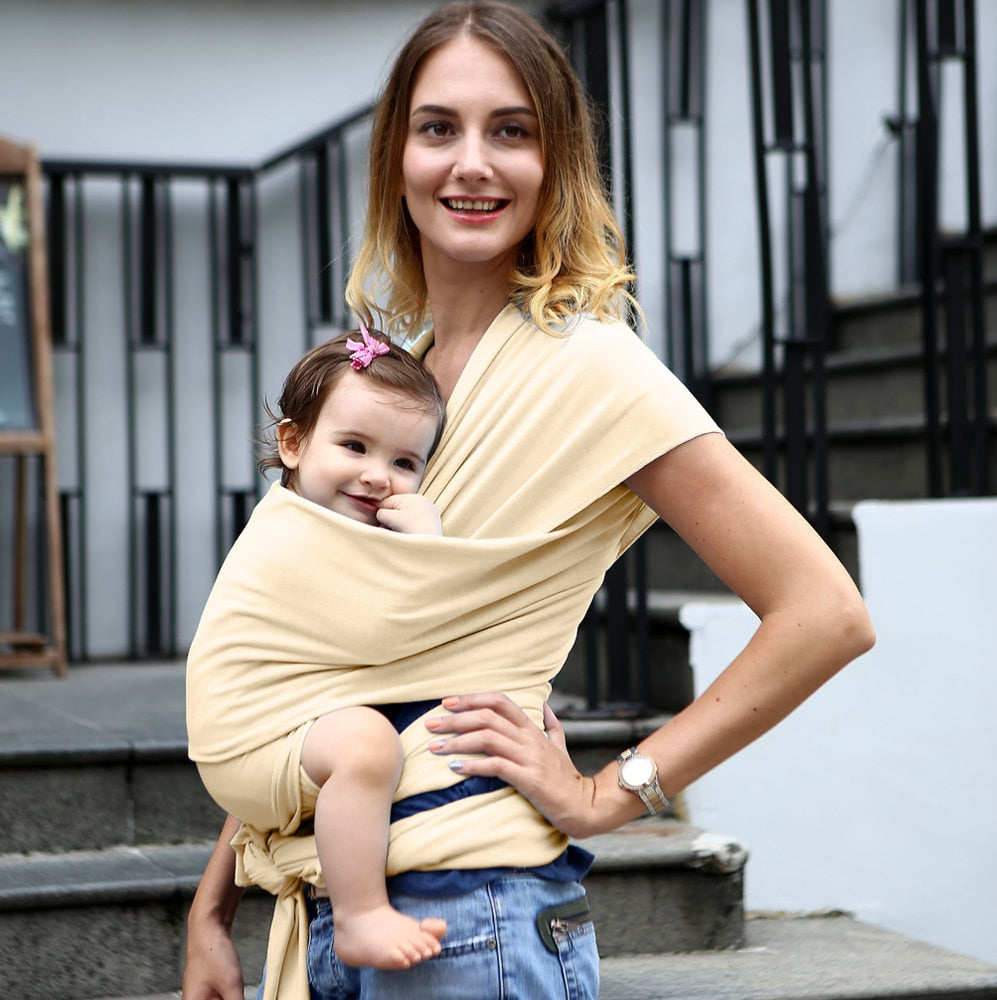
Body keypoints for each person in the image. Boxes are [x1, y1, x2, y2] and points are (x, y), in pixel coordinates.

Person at [182, 3, 876, 1000]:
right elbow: (307, 660)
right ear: (396, 159)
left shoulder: (591, 365)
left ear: (555, 162)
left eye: (511, 130)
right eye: (438, 129)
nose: (472, 162)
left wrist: (609, 791)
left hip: (476, 918)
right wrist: (213, 909)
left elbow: (824, 612)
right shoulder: (391, 393)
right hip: (333, 909)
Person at [190, 327, 451, 974]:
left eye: (404, 463)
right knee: (365, 742)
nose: (378, 476)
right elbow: (401, 634)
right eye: (354, 445)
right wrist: (429, 545)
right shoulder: (292, 535)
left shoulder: (331, 529)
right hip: (246, 740)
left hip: (270, 727)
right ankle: (360, 917)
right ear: (293, 442)